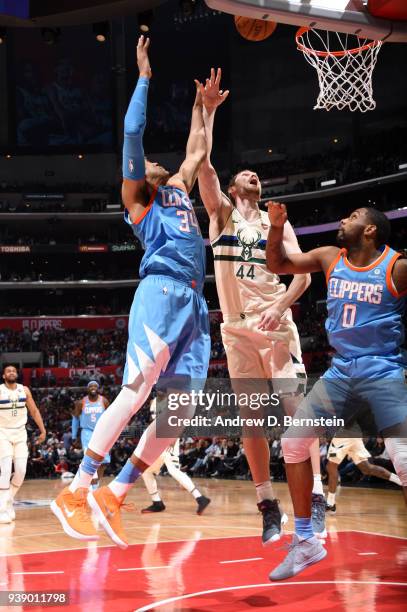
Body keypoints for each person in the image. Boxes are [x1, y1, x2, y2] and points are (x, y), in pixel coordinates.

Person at [51, 36, 210, 547]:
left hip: (195, 303)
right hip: (161, 292)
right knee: (136, 392)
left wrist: (202, 107)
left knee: (179, 409)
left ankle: (115, 493)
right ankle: (77, 488)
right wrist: (144, 76)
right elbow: (132, 132)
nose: (157, 165)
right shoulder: (140, 199)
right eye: (150, 167)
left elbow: (197, 150)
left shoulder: (180, 191)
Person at [197, 69, 326, 544]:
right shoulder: (220, 216)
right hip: (235, 329)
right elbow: (204, 166)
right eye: (245, 173)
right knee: (251, 420)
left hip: (275, 325)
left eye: (258, 173)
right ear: (233, 188)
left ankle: (313, 502)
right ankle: (267, 504)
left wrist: (282, 304)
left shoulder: (277, 222)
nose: (254, 173)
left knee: (298, 413)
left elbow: (304, 276)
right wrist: (208, 112)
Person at [266, 203, 407, 580]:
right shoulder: (331, 257)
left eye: (354, 216)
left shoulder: (397, 267)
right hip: (341, 371)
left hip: (383, 371)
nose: (344, 220)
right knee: (294, 442)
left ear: (371, 230)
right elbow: (278, 264)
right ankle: (307, 541)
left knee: (403, 459)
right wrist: (276, 227)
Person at [141, 397, 211, 515]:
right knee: (146, 471)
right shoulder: (154, 400)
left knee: (173, 470)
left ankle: (200, 498)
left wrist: (174, 437)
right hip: (158, 436)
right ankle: (157, 502)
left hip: (169, 436)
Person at [0, 364, 46, 523]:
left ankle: (7, 501)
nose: (11, 372)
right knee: (5, 470)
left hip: (20, 433)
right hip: (2, 433)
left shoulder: (24, 390)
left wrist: (43, 430)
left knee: (20, 470)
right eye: (8, 371)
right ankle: (1, 509)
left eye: (13, 370)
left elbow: (34, 411)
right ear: (4, 376)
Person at [326, 427, 401, 512]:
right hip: (354, 435)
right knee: (366, 468)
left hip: (344, 435)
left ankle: (330, 502)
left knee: (331, 466)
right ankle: (400, 480)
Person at [71, 381, 110, 489]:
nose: (93, 388)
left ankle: (96, 484)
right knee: (90, 459)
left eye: (95, 386)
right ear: (87, 389)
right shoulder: (81, 402)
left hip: (101, 432)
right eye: (91, 386)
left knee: (104, 461)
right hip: (87, 432)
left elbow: (111, 417)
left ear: (98, 388)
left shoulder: (104, 401)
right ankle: (90, 485)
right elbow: (75, 419)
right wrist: (74, 436)